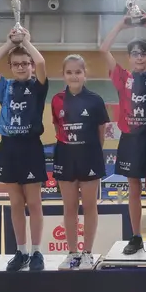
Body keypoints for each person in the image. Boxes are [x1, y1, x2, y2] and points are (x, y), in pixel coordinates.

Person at [99, 14, 146, 255]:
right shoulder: (122, 77)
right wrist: (121, 24)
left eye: (144, 53)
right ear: (129, 58)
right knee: (133, 188)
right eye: (135, 53)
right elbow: (103, 48)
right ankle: (135, 236)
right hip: (129, 140)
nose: (139, 57)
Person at [0, 30, 48, 272]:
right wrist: (9, 42)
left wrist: (26, 42)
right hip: (8, 147)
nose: (21, 67)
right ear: (10, 67)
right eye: (16, 64)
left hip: (30, 147)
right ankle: (20, 251)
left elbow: (41, 62)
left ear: (30, 65)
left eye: (25, 63)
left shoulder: (38, 87)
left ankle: (37, 251)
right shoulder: (5, 87)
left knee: (34, 202)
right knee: (15, 203)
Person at [51, 55, 109, 270]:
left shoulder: (95, 100)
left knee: (89, 206)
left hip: (90, 156)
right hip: (65, 157)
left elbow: (101, 133)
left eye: (78, 72)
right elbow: (58, 129)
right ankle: (72, 252)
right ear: (63, 75)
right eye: (69, 72)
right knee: (70, 207)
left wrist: (90, 151)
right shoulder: (56, 100)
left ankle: (87, 253)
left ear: (85, 74)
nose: (74, 76)